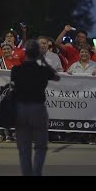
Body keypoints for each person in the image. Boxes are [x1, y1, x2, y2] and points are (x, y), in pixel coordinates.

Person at [11, 39, 60, 176]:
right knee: (40, 146)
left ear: (25, 52)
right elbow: (56, 77)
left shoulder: (16, 70)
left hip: (21, 109)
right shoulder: (42, 70)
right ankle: (36, 172)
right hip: (38, 108)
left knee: (24, 148)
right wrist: (43, 62)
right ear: (38, 53)